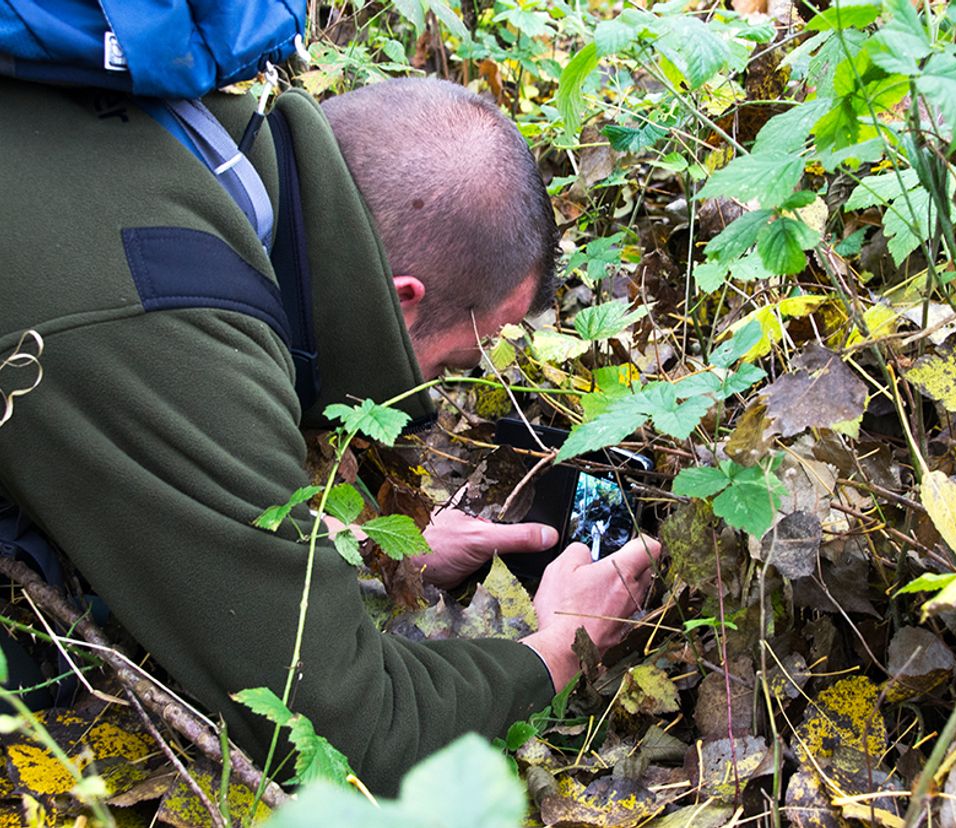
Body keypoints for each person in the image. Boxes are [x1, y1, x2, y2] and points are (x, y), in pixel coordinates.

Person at [0, 74, 659, 795]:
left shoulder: (194, 141)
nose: (432, 393)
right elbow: (348, 737)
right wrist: (559, 649)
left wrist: (358, 552)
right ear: (405, 300)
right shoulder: (170, 323)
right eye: (455, 362)